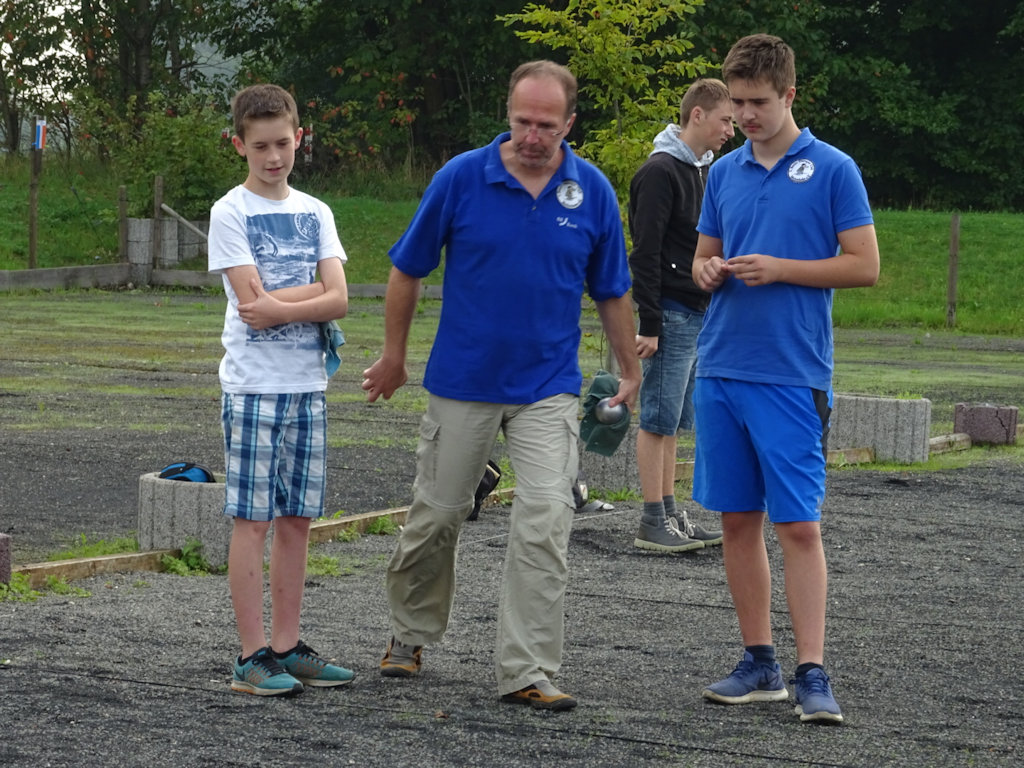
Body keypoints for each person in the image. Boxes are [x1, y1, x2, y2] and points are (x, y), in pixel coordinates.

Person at [361, 60, 641, 712]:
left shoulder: (592, 192)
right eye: (522, 122)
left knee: (545, 516)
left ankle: (528, 669)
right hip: (464, 380)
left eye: (547, 125)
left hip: (548, 384)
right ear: (507, 115)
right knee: (439, 513)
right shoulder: (462, 177)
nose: (533, 136)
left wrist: (630, 369)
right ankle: (410, 631)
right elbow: (407, 269)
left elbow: (612, 290)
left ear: (570, 123)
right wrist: (395, 356)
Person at [691, 34, 879, 724]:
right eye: (737, 103)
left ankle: (813, 671)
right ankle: (760, 662)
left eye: (758, 102)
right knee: (737, 521)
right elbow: (703, 258)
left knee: (798, 525)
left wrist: (782, 269)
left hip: (791, 374)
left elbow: (864, 265)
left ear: (789, 94)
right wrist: (706, 271)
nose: (745, 115)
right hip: (720, 367)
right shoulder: (724, 172)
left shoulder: (833, 169)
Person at [208, 83, 353, 697]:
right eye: (261, 146)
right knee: (254, 520)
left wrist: (282, 303)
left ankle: (289, 646)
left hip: (307, 385)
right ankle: (251, 656)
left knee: (297, 521)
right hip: (253, 389)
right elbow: (251, 306)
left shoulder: (317, 211)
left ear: (300, 138)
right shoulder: (229, 212)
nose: (274, 157)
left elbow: (339, 299)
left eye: (283, 144)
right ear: (239, 145)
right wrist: (310, 296)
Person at [628, 78, 734, 554]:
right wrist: (649, 323)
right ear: (697, 115)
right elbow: (646, 252)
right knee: (656, 418)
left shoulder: (699, 170)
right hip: (669, 314)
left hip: (694, 312)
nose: (730, 130)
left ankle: (670, 513)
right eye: (725, 120)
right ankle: (652, 519)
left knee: (672, 421)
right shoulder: (660, 172)